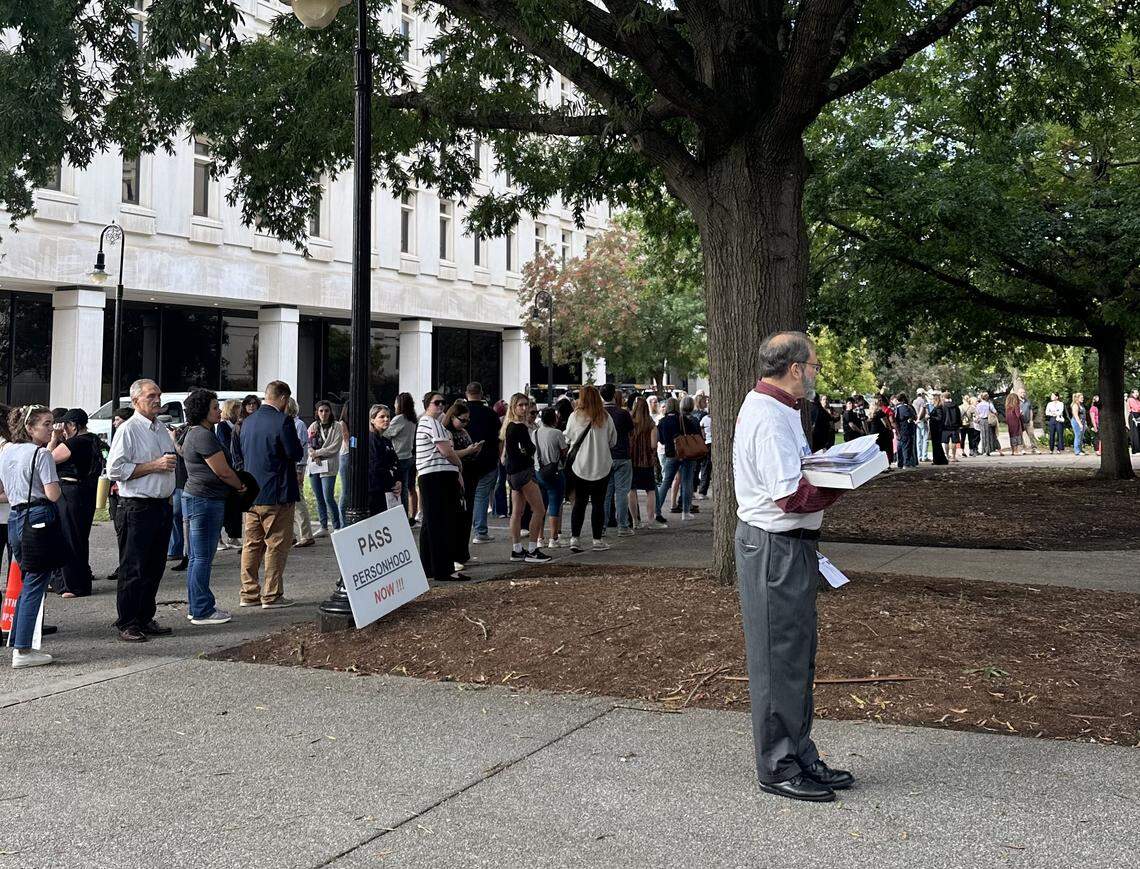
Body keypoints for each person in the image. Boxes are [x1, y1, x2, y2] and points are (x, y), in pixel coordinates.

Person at [733, 331, 852, 803]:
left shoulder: (780, 410)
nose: (817, 374)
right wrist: (846, 480)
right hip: (774, 548)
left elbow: (793, 478)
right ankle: (777, 765)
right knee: (777, 659)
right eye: (815, 366)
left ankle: (799, 754)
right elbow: (790, 496)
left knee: (797, 656)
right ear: (796, 368)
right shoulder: (767, 416)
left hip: (789, 548)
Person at [106, 379, 178, 643]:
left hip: (161, 505)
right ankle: (127, 621)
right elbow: (114, 470)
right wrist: (154, 465)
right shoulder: (128, 430)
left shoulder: (160, 429)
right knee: (133, 567)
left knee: (155, 566)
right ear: (136, 401)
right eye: (151, 396)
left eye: (158, 395)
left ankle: (145, 616)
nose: (157, 400)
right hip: (136, 507)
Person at [1, 406, 63, 667]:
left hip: (15, 515)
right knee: (35, 583)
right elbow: (53, 494)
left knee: (27, 578)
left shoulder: (7, 451)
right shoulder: (41, 454)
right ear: (29, 427)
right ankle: (23, 649)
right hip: (38, 515)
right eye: (46, 424)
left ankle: (19, 639)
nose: (51, 429)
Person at [180, 389, 247, 626]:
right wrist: (240, 486)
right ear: (202, 411)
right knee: (202, 557)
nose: (219, 411)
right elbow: (222, 470)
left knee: (198, 556)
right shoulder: (203, 436)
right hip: (205, 500)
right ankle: (201, 609)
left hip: (199, 497)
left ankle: (198, 604)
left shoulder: (198, 432)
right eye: (214, 407)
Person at [238, 380, 303, 609]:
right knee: (276, 544)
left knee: (251, 544)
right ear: (284, 398)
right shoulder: (283, 421)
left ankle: (249, 592)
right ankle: (272, 594)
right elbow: (294, 452)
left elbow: (240, 453)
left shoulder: (247, 422)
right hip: (277, 492)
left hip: (252, 493)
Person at [416, 391, 470, 582]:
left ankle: (429, 567)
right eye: (436, 403)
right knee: (442, 523)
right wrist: (459, 464)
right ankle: (443, 569)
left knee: (431, 524)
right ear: (427, 404)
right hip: (437, 477)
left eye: (442, 403)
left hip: (433, 476)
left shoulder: (429, 423)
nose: (440, 406)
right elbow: (446, 451)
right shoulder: (432, 423)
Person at [49, 409, 102, 598]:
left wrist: (53, 440)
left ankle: (71, 585)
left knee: (69, 538)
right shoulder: (94, 440)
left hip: (70, 493)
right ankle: (80, 582)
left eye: (64, 426)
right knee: (80, 538)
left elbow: (47, 459)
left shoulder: (74, 443)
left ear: (72, 425)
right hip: (85, 493)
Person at [564, 385, 617, 552]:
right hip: (602, 466)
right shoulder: (606, 417)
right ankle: (597, 540)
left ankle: (575, 538)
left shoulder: (574, 416)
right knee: (598, 504)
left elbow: (568, 438)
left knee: (579, 503)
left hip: (580, 466)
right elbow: (613, 441)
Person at [501, 393, 551, 563]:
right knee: (539, 510)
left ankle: (516, 549)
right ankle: (532, 549)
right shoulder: (519, 427)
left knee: (517, 512)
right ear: (514, 407)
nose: (524, 408)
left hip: (513, 474)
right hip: (523, 472)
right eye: (520, 405)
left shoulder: (509, 426)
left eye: (526, 405)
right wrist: (527, 453)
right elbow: (527, 449)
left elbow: (512, 452)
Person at [442, 399, 483, 566]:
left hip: (470, 474)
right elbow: (451, 454)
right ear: (452, 417)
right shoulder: (447, 433)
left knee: (467, 516)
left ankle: (463, 552)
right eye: (462, 419)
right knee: (458, 516)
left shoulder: (464, 432)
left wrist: (474, 450)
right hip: (458, 475)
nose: (465, 423)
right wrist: (469, 451)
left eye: (467, 420)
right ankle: (455, 553)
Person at [463, 383, 502, 545]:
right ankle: (480, 531)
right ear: (482, 394)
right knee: (481, 496)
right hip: (488, 460)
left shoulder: (462, 413)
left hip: (465, 459)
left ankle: (463, 532)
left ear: (467, 394)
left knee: (466, 497)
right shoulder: (491, 414)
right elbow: (499, 436)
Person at [654, 397, 699, 525]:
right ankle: (685, 512)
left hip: (671, 455)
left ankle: (657, 511)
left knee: (666, 482)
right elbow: (693, 435)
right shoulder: (684, 419)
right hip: (686, 454)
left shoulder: (662, 422)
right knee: (687, 481)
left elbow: (661, 440)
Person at [600, 384, 634, 537]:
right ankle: (623, 526)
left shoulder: (599, 414)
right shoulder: (623, 413)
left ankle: (602, 526)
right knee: (622, 492)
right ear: (614, 395)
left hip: (605, 456)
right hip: (622, 455)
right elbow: (630, 433)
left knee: (605, 494)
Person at [307, 401, 343, 535]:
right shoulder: (313, 426)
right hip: (315, 465)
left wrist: (318, 453)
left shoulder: (337, 426)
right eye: (321, 411)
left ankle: (337, 526)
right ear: (317, 412)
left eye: (326, 411)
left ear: (330, 412)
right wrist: (313, 453)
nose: (324, 413)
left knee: (328, 496)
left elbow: (335, 447)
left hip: (329, 466)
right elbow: (309, 444)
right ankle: (323, 526)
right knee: (319, 497)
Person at [534, 407, 567, 547]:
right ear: (554, 418)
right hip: (555, 472)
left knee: (541, 506)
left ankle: (540, 538)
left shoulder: (535, 433)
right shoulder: (557, 433)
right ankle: (553, 538)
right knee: (554, 504)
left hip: (538, 472)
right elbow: (564, 450)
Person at [286, 398, 314, 548]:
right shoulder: (286, 423)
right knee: (288, 503)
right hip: (288, 468)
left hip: (296, 467)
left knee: (298, 502)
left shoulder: (299, 425)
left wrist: (300, 470)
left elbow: (303, 449)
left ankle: (306, 534)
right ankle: (291, 535)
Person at [386, 393, 419, 523]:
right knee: (405, 488)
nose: (394, 405)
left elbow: (387, 434)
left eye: (396, 402)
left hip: (398, 457)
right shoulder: (412, 419)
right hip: (409, 457)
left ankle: (399, 518)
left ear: (400, 404)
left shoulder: (399, 419)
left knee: (397, 489)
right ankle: (405, 517)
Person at [627, 396, 659, 528]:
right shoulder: (651, 424)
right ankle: (651, 520)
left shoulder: (630, 423)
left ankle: (635, 521)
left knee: (631, 490)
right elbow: (653, 445)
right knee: (650, 490)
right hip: (646, 462)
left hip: (632, 461)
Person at [367, 404, 401, 516]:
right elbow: (376, 466)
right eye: (381, 417)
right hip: (374, 491)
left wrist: (398, 481)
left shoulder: (386, 441)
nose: (386, 419)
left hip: (386, 490)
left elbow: (395, 463)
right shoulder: (371, 440)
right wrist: (392, 482)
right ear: (372, 419)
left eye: (388, 416)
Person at [932, 391, 962, 462]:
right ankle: (954, 457)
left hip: (945, 426)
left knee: (946, 442)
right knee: (954, 442)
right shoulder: (955, 405)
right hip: (954, 426)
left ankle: (947, 456)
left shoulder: (942, 405)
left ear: (943, 397)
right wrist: (959, 425)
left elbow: (941, 416)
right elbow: (958, 416)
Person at [892, 393, 916, 467]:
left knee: (900, 446)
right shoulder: (905, 407)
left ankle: (900, 463)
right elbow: (912, 416)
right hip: (906, 428)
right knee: (906, 446)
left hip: (899, 429)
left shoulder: (896, 408)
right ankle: (906, 463)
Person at [337, 402, 351, 522]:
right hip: (346, 456)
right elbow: (347, 440)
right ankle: (343, 521)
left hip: (351, 456)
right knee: (345, 490)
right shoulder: (342, 423)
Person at [868, 397, 893, 463]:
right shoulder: (880, 413)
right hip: (882, 433)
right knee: (883, 449)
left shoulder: (871, 414)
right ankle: (885, 464)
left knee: (876, 449)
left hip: (873, 433)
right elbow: (886, 423)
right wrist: (890, 430)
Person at [697, 400, 713, 499]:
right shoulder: (712, 419)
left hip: (707, 443)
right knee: (707, 468)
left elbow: (701, 431)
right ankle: (703, 491)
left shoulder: (704, 419)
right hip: (711, 443)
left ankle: (702, 491)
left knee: (705, 468)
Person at [1018, 389, 1039, 455]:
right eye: (1021, 392)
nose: (1023, 393)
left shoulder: (1027, 401)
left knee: (1031, 435)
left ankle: (1034, 449)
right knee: (1020, 436)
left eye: (1024, 392)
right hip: (1020, 422)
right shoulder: (1016, 401)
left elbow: (1030, 411)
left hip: (1028, 421)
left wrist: (1031, 420)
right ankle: (1022, 449)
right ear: (1018, 393)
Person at [913, 390, 930, 462]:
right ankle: (924, 456)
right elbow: (924, 410)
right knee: (925, 439)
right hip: (922, 420)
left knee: (918, 439)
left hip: (916, 421)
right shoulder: (923, 401)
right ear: (922, 394)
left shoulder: (914, 401)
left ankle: (919, 456)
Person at [1070, 392, 1086, 456]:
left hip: (1082, 422)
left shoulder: (1080, 405)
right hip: (1076, 422)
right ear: (1077, 398)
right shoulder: (1075, 405)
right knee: (1078, 436)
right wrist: (1080, 424)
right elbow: (1076, 416)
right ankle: (1077, 451)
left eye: (1083, 397)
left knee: (1081, 436)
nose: (1083, 399)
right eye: (1081, 398)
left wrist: (1084, 423)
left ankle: (1080, 449)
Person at [1128, 389, 1140, 454]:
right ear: (1132, 393)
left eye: (1137, 392)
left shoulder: (1138, 400)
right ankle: (1136, 449)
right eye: (1135, 392)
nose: (1137, 393)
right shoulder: (1130, 399)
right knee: (1134, 433)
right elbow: (1136, 408)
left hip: (1138, 415)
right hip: (1133, 415)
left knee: (1138, 432)